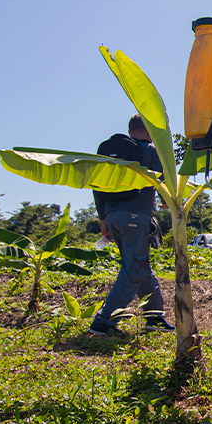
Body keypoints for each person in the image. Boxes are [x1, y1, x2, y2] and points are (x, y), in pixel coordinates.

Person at [89, 114, 173, 337]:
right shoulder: (148, 150)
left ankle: (154, 316)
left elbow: (97, 186)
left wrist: (103, 219)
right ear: (149, 131)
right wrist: (168, 203)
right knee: (135, 268)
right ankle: (104, 320)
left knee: (137, 265)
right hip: (136, 216)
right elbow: (164, 179)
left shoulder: (115, 152)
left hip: (113, 216)